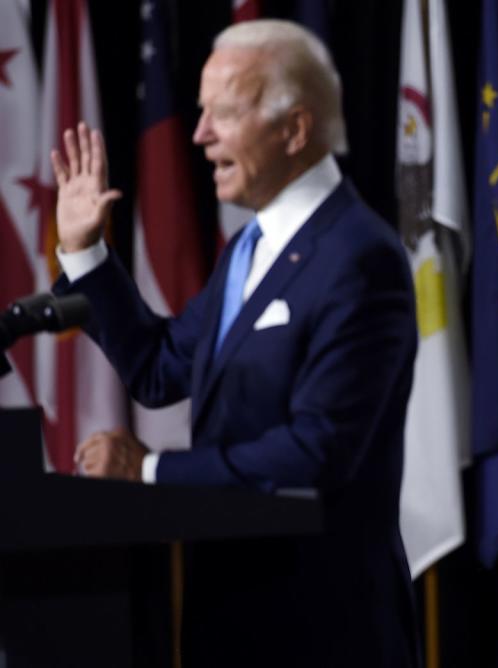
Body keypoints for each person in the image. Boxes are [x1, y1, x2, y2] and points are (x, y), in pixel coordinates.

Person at [50, 20, 419, 667]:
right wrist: (85, 250)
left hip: (325, 628)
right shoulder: (251, 248)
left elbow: (317, 449)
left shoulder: (361, 258)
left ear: (295, 129)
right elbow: (160, 368)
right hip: (230, 618)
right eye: (200, 112)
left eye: (222, 113)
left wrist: (149, 471)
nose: (199, 134)